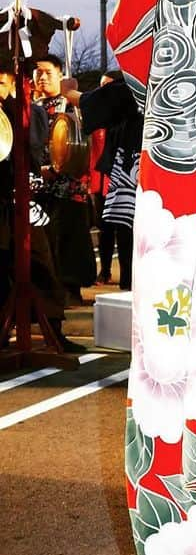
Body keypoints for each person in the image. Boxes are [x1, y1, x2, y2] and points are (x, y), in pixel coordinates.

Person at [0, 63, 78, 353]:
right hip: (3, 202)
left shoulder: (31, 112)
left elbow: (34, 153)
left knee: (42, 264)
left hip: (24, 201)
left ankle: (54, 329)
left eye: (1, 83)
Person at [63, 76, 142, 291]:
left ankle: (130, 280)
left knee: (129, 231)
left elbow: (111, 98)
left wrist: (70, 92)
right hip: (109, 177)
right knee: (114, 229)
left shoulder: (137, 85)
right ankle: (118, 275)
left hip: (135, 174)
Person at [31, 53, 96, 303]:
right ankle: (48, 295)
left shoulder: (71, 103)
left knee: (70, 241)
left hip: (69, 187)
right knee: (44, 245)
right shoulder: (33, 107)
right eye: (37, 73)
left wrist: (56, 168)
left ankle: (71, 291)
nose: (42, 77)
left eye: (48, 72)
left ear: (60, 74)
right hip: (39, 187)